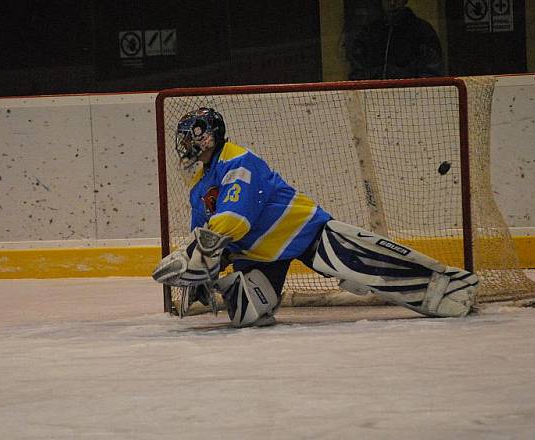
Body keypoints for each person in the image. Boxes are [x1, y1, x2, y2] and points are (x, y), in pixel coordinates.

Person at [152, 107, 478, 328]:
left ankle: (449, 287)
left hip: (303, 233)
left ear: (206, 134)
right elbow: (206, 235)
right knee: (245, 315)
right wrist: (205, 272)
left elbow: (235, 222)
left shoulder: (238, 162)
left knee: (370, 264)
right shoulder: (199, 188)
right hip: (258, 257)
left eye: (188, 136)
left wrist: (197, 252)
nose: (184, 144)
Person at [348, 0, 444, 80]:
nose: (392, 3)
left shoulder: (422, 31)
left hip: (411, 97)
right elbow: (357, 72)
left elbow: (432, 73)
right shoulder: (369, 32)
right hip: (373, 97)